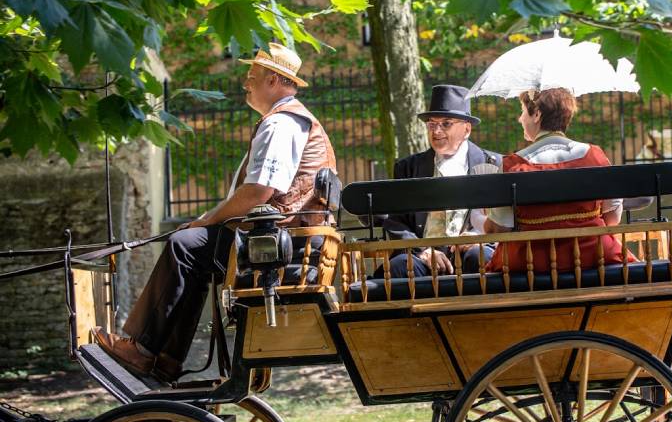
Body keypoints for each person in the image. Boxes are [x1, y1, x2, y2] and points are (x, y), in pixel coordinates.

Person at [92, 43, 336, 380]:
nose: (245, 84)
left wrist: (209, 219)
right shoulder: (289, 121)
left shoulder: (282, 124)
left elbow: (258, 192)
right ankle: (164, 358)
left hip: (277, 249)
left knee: (185, 244)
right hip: (286, 244)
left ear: (274, 80)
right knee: (192, 247)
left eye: (252, 77)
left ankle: (144, 350)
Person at [483, 87, 633, 272]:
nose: (520, 119)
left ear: (536, 114)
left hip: (530, 266)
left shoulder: (511, 166)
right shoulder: (596, 156)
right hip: (595, 259)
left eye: (522, 111)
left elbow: (498, 230)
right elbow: (612, 218)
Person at [381, 84, 501, 277]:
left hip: (471, 252)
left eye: (446, 123)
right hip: (424, 256)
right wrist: (422, 249)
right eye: (431, 124)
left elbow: (506, 220)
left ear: (467, 129)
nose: (436, 131)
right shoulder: (407, 168)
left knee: (481, 257)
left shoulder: (494, 164)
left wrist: (482, 237)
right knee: (399, 267)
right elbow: (396, 222)